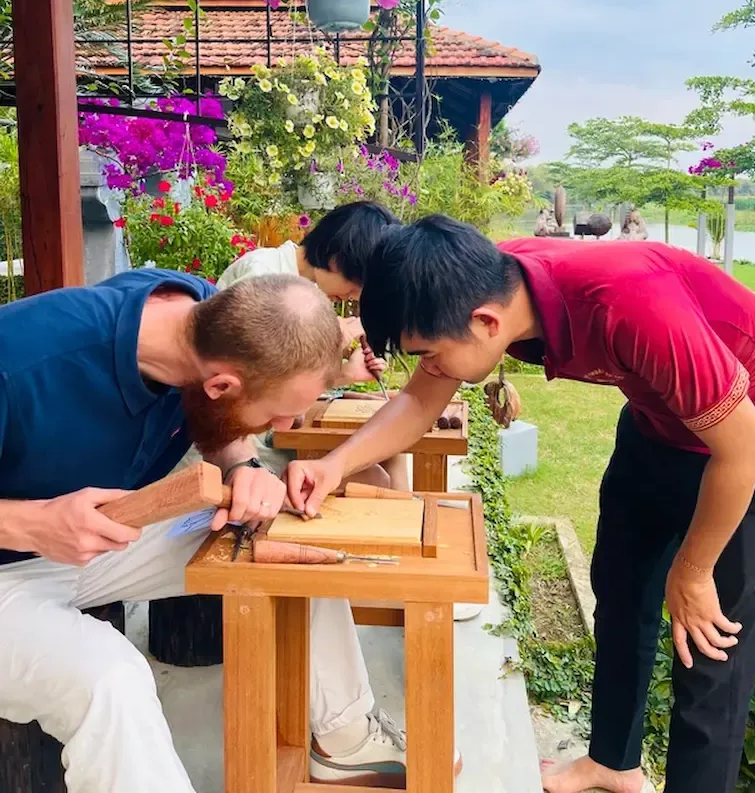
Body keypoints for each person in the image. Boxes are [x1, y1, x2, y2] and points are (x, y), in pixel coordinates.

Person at [286, 214, 755, 793]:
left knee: (708, 645)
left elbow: (744, 445)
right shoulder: (482, 286)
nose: (429, 370)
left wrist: (695, 570)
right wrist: (333, 465)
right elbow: (418, 404)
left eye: (429, 355)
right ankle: (614, 761)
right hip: (657, 423)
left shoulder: (631, 305)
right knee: (621, 593)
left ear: (486, 323)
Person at [0, 268, 450, 792]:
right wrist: (32, 524)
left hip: (95, 539)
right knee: (108, 681)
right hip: (13, 565)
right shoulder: (21, 362)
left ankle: (345, 742)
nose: (283, 429)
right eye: (276, 415)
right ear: (221, 385)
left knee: (288, 530)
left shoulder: (208, 315)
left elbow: (219, 425)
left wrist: (244, 467)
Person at [218, 201, 410, 491]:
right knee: (373, 479)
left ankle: (408, 515)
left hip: (268, 427)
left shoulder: (303, 286)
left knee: (390, 450)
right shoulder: (262, 276)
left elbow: (284, 379)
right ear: (337, 258)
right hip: (239, 447)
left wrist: (346, 374)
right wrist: (336, 342)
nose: (354, 296)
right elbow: (255, 382)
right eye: (356, 285)